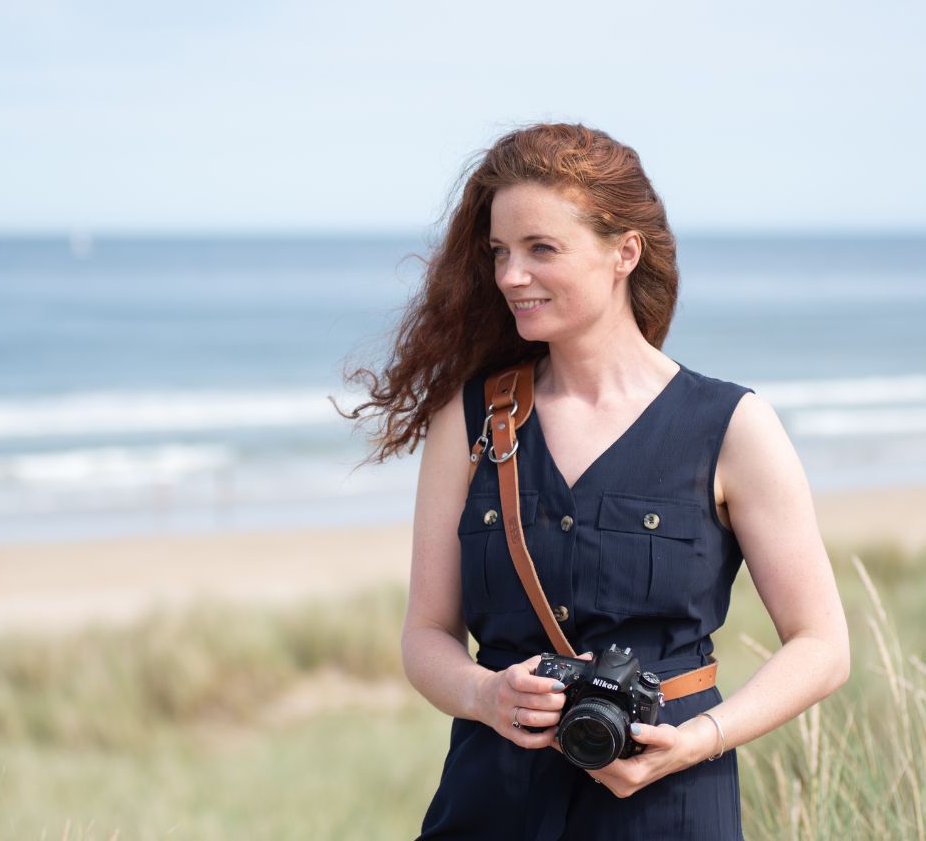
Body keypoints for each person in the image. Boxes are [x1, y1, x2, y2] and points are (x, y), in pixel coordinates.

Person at [341, 122, 849, 839]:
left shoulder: (731, 425)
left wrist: (699, 740)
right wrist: (486, 694)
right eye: (499, 252)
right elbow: (426, 636)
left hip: (668, 810)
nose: (511, 275)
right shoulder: (470, 421)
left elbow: (822, 646)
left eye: (541, 249)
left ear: (624, 252)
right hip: (490, 808)